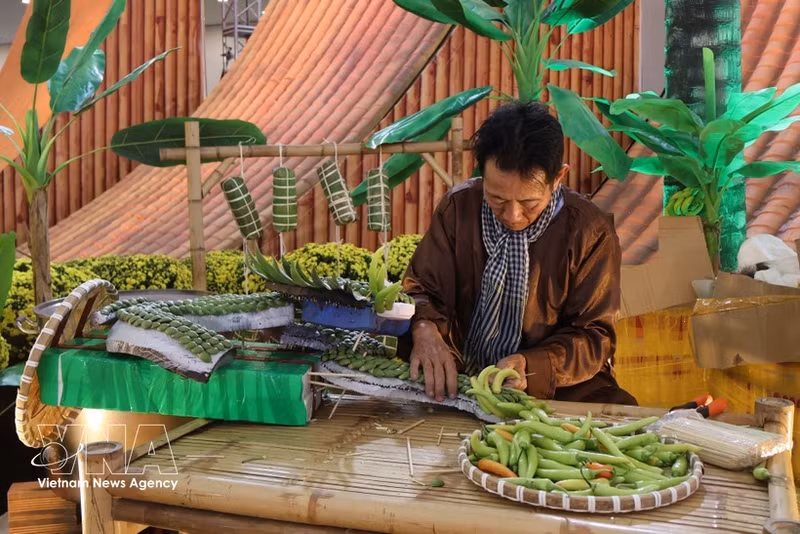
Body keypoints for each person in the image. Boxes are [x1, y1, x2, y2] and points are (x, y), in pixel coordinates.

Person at [402, 100, 636, 406]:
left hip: (555, 389)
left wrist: (532, 366)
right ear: (482, 173)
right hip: (459, 377)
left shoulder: (590, 232)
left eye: (528, 203)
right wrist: (424, 327)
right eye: (497, 199)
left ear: (558, 178)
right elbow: (420, 290)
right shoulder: (458, 208)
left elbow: (594, 336)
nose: (512, 216)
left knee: (619, 416)